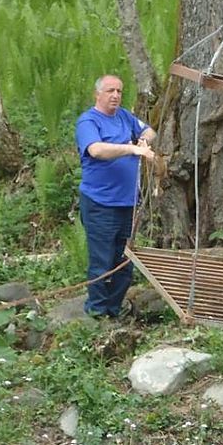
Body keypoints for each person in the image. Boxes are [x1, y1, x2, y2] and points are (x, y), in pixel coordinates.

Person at [75, 74, 155, 318]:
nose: (116, 95)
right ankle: (97, 312)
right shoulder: (88, 121)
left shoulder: (124, 117)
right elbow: (96, 149)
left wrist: (142, 139)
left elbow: (149, 130)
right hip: (101, 203)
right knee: (102, 260)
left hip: (128, 203)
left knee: (125, 260)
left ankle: (114, 308)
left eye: (119, 91)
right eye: (110, 91)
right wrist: (131, 148)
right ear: (97, 94)